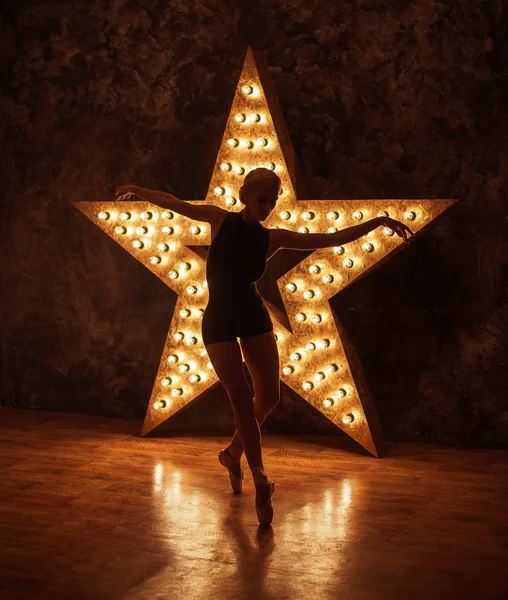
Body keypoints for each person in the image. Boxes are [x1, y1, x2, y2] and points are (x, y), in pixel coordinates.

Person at [114, 168, 414, 526]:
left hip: (254, 318)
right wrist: (135, 188)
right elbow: (172, 202)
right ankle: (259, 476)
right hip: (219, 321)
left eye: (272, 202)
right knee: (241, 398)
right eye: (262, 200)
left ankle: (233, 453)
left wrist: (378, 221)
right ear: (245, 196)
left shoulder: (273, 238)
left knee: (268, 398)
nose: (268, 207)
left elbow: (331, 238)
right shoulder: (217, 218)